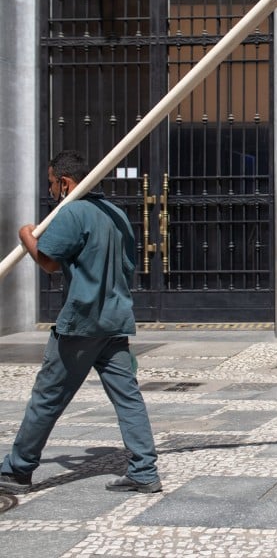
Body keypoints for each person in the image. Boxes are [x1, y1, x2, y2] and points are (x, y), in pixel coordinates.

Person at [0, 150, 161, 495]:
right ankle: (145, 470)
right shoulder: (116, 213)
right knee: (128, 397)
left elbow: (49, 262)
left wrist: (26, 235)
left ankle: (17, 469)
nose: (50, 191)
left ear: (66, 182)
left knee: (47, 397)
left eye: (51, 184)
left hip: (81, 322)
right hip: (114, 320)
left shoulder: (72, 212)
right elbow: (128, 265)